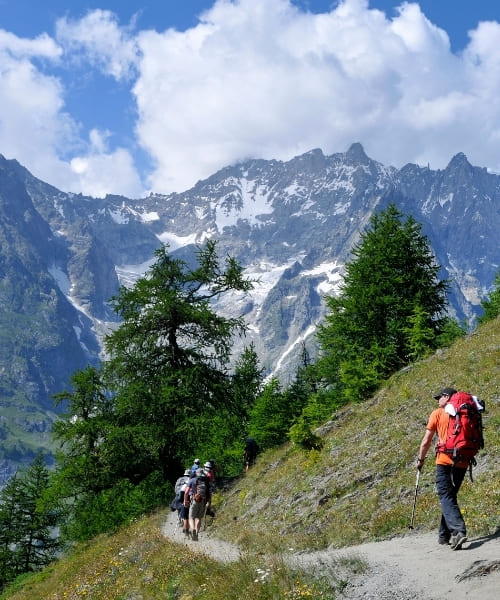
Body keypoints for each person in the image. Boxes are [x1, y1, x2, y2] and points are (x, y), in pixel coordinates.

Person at [417, 387, 468, 550]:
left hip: (444, 460)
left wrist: (420, 460)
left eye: (439, 397)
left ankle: (458, 532)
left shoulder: (438, 413)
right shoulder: (464, 411)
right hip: (463, 460)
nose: (438, 401)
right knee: (450, 496)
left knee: (446, 496)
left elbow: (426, 441)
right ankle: (443, 536)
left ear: (446, 397)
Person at [186, 468, 211, 540]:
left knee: (191, 517)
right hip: (203, 501)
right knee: (199, 518)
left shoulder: (192, 480)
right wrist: (209, 503)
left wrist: (185, 500)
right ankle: (196, 533)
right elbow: (209, 493)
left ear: (196, 473)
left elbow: (186, 491)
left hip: (194, 500)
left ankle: (193, 529)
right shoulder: (206, 481)